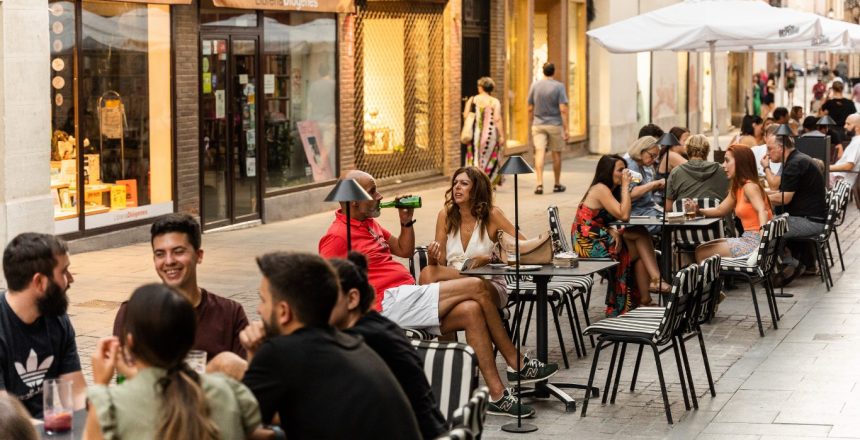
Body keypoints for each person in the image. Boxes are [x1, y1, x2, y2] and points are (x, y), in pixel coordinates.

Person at [319, 170, 556, 417]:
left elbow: (403, 248)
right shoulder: (336, 236)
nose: (380, 196)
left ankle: (496, 395)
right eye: (373, 191)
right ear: (354, 200)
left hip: (406, 296)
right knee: (477, 286)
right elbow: (326, 287)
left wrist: (406, 221)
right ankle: (516, 362)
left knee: (471, 310)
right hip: (388, 303)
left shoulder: (369, 224)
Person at [240, 252, 422, 439]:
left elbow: (237, 423)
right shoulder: (350, 343)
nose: (258, 310)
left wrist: (253, 352)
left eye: (263, 300)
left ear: (284, 311)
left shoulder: (280, 352)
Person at [84, 284, 263, 440]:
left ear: (129, 342)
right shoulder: (228, 391)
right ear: (190, 340)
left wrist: (100, 384)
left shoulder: (110, 407)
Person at [329, 252, 447, 440]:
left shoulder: (362, 340)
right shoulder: (383, 327)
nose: (318, 306)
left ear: (352, 299)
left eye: (325, 298)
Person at [112, 214, 249, 362]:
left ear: (199, 256)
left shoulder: (230, 314)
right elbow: (124, 377)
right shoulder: (132, 313)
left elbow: (247, 378)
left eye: (178, 252)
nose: (169, 261)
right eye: (160, 254)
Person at [572, 155, 671, 315]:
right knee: (639, 236)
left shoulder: (610, 189)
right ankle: (654, 283)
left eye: (625, 169)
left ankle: (647, 297)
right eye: (620, 170)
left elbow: (606, 217)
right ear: (608, 172)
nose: (624, 173)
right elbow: (624, 215)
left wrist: (612, 229)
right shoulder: (600, 188)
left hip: (600, 236)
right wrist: (626, 186)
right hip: (588, 244)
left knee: (639, 235)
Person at [0, 233, 85, 418]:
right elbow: (5, 421)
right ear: (39, 282)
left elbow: (76, 396)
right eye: (63, 272)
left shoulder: (58, 320)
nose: (70, 279)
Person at [420, 167, 514, 308]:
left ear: (477, 189)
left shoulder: (492, 215)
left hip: (487, 283)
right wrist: (433, 257)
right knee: (429, 272)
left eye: (464, 183)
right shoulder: (445, 216)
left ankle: (430, 322)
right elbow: (441, 263)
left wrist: (491, 258)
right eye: (455, 183)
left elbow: (523, 246)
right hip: (454, 280)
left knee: (434, 285)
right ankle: (444, 327)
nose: (457, 187)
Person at [765, 132, 828, 286]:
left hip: (810, 222)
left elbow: (785, 198)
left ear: (781, 148)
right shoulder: (798, 159)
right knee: (773, 224)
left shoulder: (793, 163)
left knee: (768, 229)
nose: (767, 153)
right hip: (813, 218)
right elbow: (784, 193)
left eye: (770, 148)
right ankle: (787, 263)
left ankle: (791, 263)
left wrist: (759, 198)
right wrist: (763, 193)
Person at [695, 145, 773, 262]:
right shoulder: (738, 187)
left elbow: (762, 210)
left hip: (754, 242)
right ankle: (717, 280)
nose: (723, 165)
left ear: (740, 162)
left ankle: (711, 280)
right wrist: (698, 211)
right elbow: (720, 210)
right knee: (701, 249)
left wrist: (763, 241)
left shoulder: (749, 186)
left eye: (727, 160)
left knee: (701, 253)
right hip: (748, 239)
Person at [527, 62, 569, 194]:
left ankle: (539, 184)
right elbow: (563, 109)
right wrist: (566, 128)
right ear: (553, 72)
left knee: (539, 153)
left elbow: (529, 107)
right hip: (555, 124)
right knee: (556, 154)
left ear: (542, 71)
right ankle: (557, 184)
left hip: (538, 124)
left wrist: (531, 121)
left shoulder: (535, 85)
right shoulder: (559, 86)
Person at [664, 134, 729, 211]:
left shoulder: (675, 172)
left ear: (687, 150)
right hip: (717, 221)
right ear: (707, 151)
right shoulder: (723, 170)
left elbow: (668, 208)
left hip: (686, 221)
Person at [463, 77, 505, 186]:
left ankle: (475, 181)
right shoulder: (494, 101)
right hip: (490, 135)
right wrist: (501, 136)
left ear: (481, 87)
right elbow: (497, 119)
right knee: (488, 156)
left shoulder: (472, 99)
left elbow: (465, 115)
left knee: (475, 156)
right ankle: (487, 182)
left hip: (474, 135)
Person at [624, 136, 665, 233]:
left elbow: (643, 191)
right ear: (641, 151)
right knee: (667, 224)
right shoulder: (631, 166)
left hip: (645, 211)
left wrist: (657, 187)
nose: (654, 160)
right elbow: (630, 194)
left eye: (656, 157)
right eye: (652, 155)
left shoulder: (640, 166)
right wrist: (653, 184)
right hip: (637, 214)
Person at [831, 113, 860, 187]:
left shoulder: (857, 143)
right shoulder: (856, 141)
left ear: (857, 127)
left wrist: (826, 168)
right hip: (839, 178)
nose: (844, 126)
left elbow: (848, 166)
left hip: (841, 182)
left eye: (848, 124)